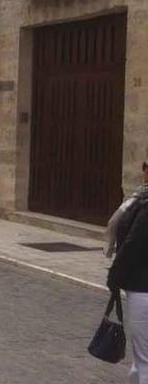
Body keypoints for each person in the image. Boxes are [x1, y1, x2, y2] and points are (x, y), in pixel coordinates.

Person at [107, 161, 148, 383]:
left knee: (144, 360)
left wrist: (114, 276)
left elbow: (133, 244)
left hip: (144, 288)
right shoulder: (139, 200)